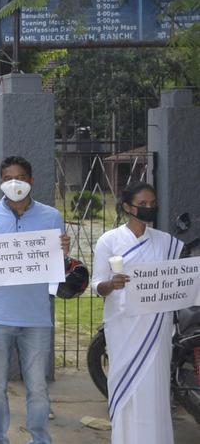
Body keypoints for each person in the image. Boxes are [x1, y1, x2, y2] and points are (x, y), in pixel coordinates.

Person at [0, 156, 70, 444]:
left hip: (36, 316)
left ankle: (39, 438)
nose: (16, 183)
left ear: (31, 181)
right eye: (10, 178)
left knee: (37, 386)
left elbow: (56, 263)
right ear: (1, 183)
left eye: (22, 177)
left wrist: (63, 250)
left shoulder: (51, 217)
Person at [92, 181, 181, 444]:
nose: (148, 208)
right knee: (128, 386)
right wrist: (112, 283)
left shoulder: (167, 243)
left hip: (157, 327)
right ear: (127, 207)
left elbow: (177, 281)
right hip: (123, 325)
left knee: (155, 386)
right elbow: (98, 284)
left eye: (152, 204)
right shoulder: (109, 241)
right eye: (142, 204)